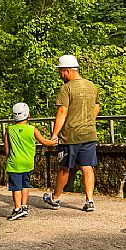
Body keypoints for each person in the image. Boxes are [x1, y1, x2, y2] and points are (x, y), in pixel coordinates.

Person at [43, 54, 101, 212]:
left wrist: (54, 134)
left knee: (65, 167)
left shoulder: (66, 88)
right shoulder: (91, 86)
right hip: (89, 133)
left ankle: (55, 198)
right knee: (87, 166)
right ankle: (89, 200)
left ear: (67, 71)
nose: (60, 75)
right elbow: (96, 107)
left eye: (61, 71)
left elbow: (62, 112)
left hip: (71, 135)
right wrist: (90, 120)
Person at [4, 102, 58, 221]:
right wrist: (54, 141)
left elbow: (7, 149)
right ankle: (24, 206)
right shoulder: (32, 129)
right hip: (28, 162)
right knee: (25, 184)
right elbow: (45, 142)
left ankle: (17, 209)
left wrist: (9, 157)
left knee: (16, 187)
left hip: (15, 163)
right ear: (28, 115)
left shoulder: (9, 129)